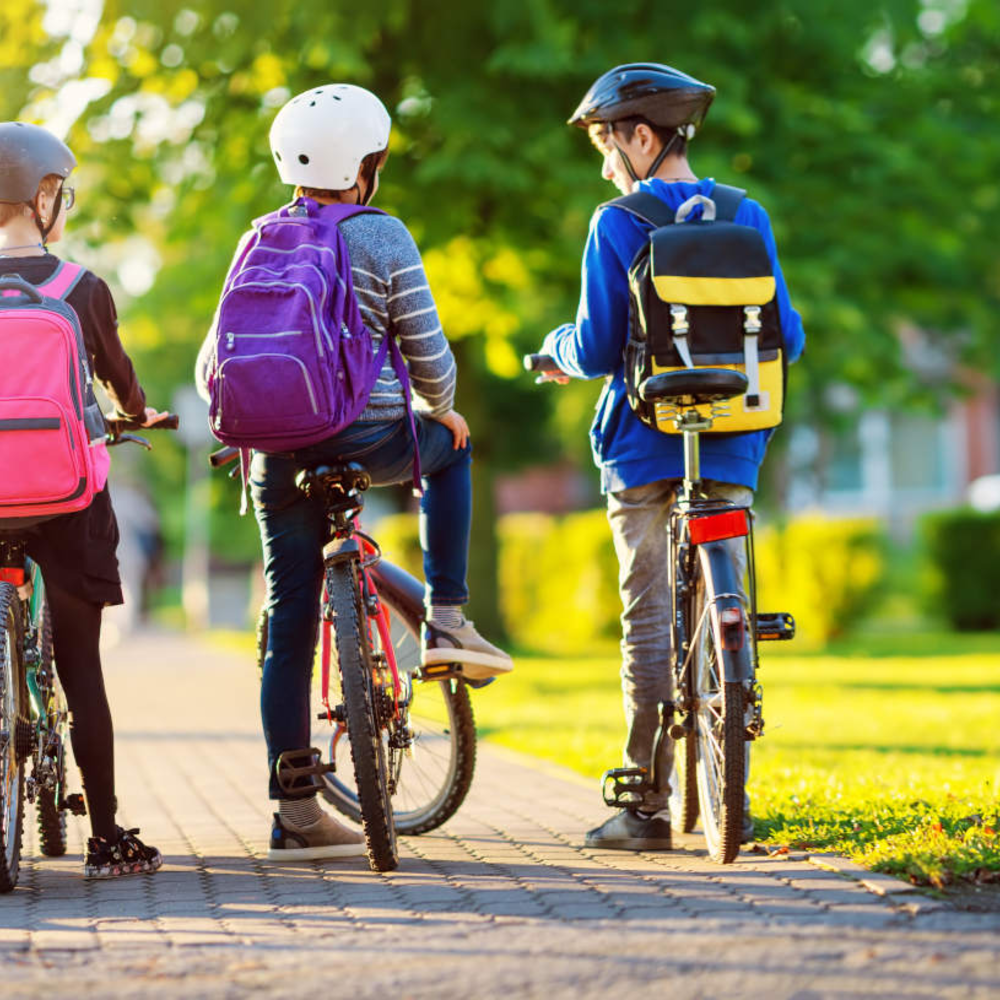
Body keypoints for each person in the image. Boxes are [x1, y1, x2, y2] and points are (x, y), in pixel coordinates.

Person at [195, 84, 513, 861]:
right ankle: (447, 614)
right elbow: (431, 359)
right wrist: (444, 409)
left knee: (291, 619)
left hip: (275, 453)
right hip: (369, 437)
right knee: (455, 448)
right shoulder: (384, 235)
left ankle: (295, 813)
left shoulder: (256, 237)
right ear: (366, 165)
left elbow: (212, 365)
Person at [537, 64, 805, 850]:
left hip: (644, 448)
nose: (604, 163)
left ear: (642, 137)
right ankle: (734, 757)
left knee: (647, 618)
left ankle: (646, 803)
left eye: (606, 144)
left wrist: (551, 353)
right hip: (732, 444)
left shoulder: (617, 221)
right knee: (728, 592)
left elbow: (591, 347)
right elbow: (785, 336)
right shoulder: (747, 213)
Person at [0, 122, 167, 877]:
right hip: (66, 500)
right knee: (80, 668)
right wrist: (138, 413)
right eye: (59, 193)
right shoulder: (79, 289)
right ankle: (106, 836)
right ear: (40, 198)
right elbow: (119, 382)